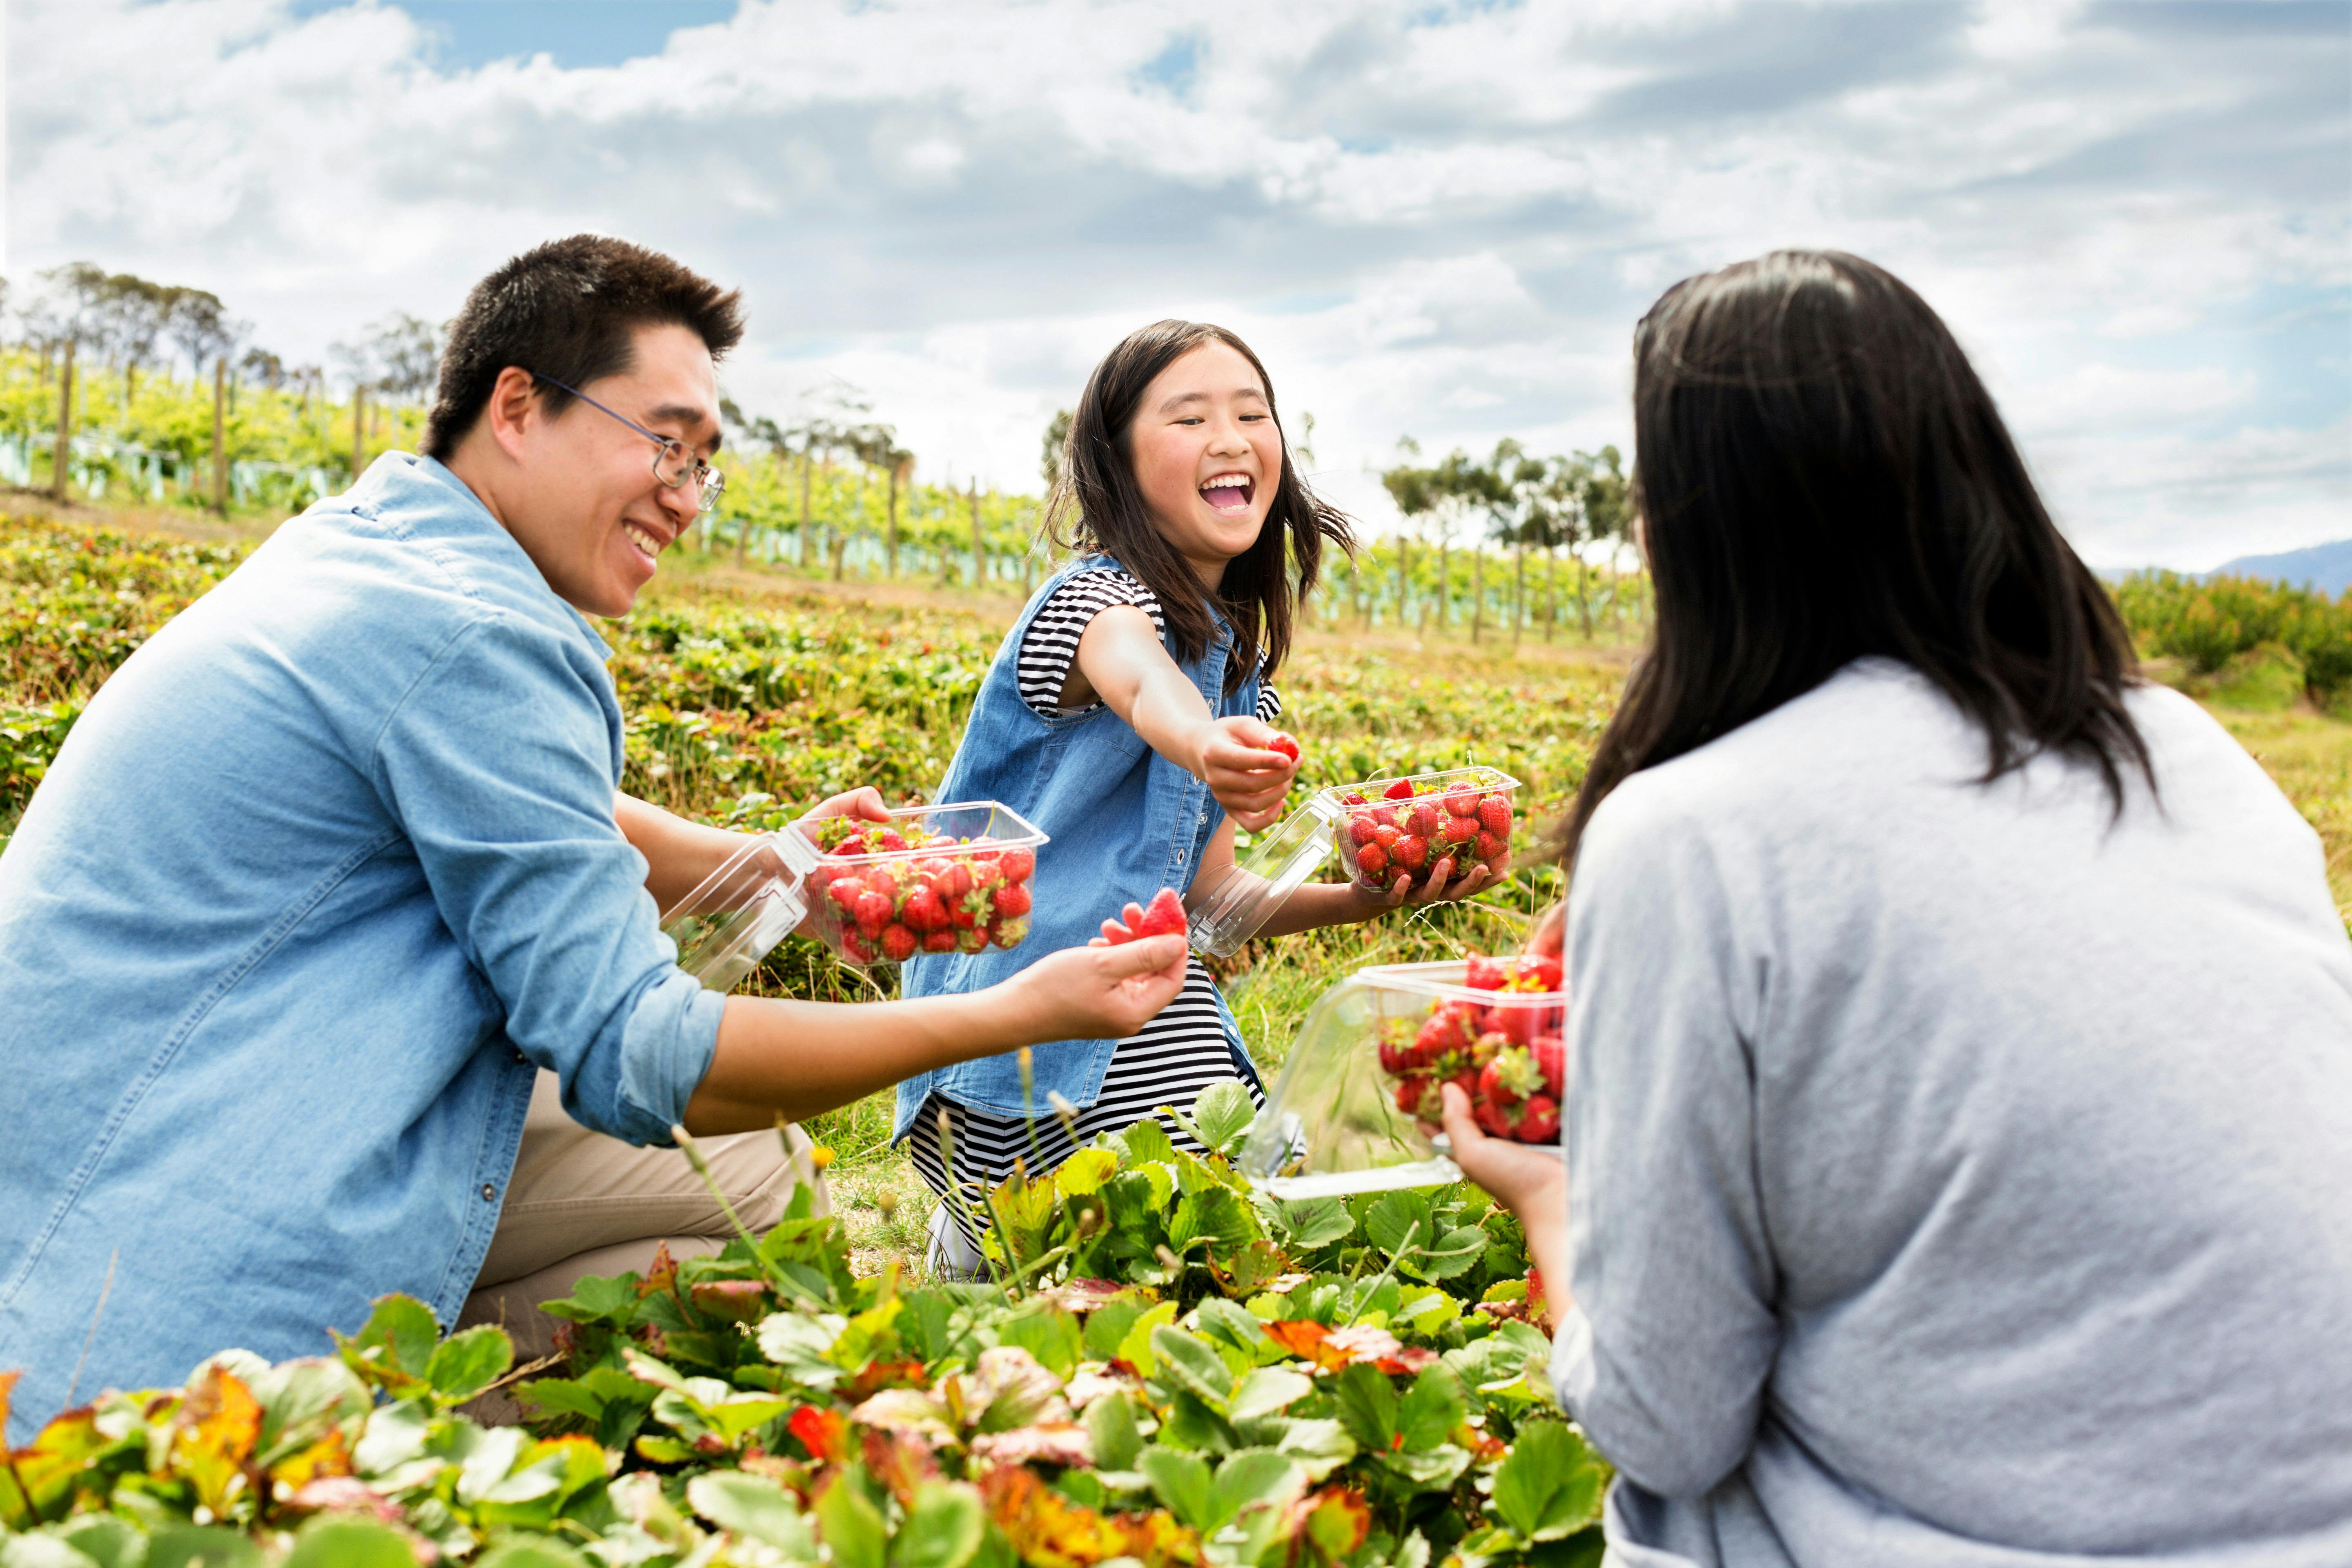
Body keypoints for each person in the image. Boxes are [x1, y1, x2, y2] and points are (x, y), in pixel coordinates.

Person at [0, 236, 1187, 1440]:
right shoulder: (478, 635)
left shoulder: (373, 552)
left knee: (746, 1180)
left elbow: (523, 798)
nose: (684, 491)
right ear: (518, 405)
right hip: (164, 1217)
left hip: (91, 1120)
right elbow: (640, 1053)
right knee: (731, 1179)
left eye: (705, 465)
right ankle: (366, 1429)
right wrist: (1019, 1011)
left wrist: (775, 867)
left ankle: (435, 1376)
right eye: (665, 442)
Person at [1445, 250, 2352, 1566]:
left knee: (1672, 1509)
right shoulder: (2179, 742)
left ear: (1696, 525)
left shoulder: (1694, 831)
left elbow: (1666, 1421)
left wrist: (1551, 1198)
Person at [897, 319, 1507, 1267]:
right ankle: (983, 1224)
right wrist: (1204, 738)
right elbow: (1140, 680)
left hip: (1144, 1003)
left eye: (1252, 413)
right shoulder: (1090, 603)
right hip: (1011, 1046)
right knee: (1183, 1236)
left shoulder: (1237, 668)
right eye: (1190, 417)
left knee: (1254, 1214)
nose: (1230, 437)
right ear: (1119, 462)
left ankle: (1007, 1227)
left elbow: (1214, 901)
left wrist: (1370, 894)